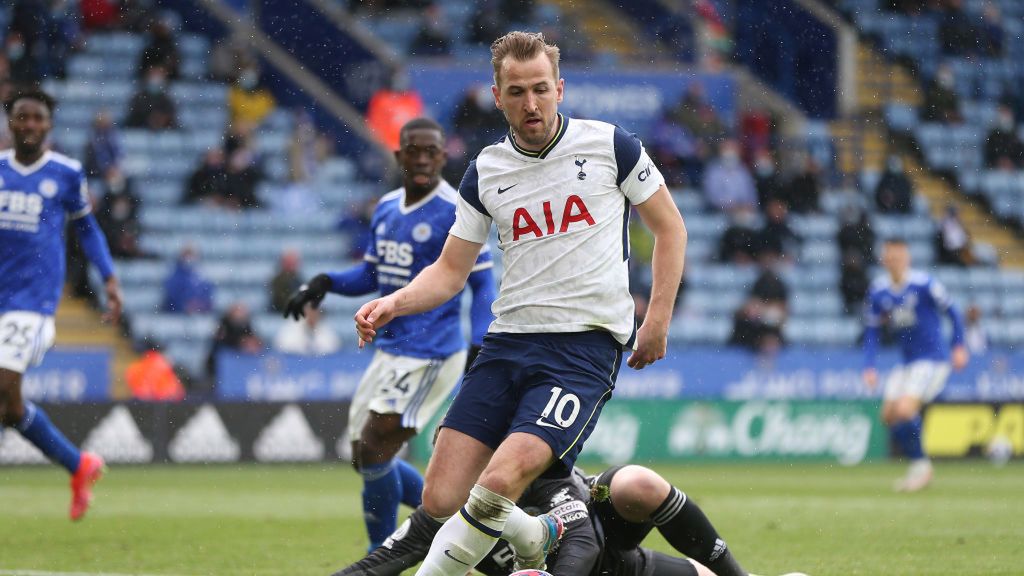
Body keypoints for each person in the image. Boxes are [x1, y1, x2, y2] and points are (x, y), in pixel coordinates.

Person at [353, 32, 686, 575]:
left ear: (559, 88)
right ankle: (539, 532)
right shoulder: (485, 170)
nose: (530, 104)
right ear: (497, 95)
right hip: (508, 344)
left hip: (582, 348)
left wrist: (657, 320)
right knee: (440, 497)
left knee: (498, 483)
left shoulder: (610, 145)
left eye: (539, 89)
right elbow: (449, 271)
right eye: (516, 92)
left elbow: (671, 229)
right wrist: (395, 302)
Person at [284, 118, 497, 552]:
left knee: (377, 445)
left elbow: (482, 285)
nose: (421, 158)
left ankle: (382, 555)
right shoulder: (384, 208)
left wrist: (479, 343)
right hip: (389, 350)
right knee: (365, 456)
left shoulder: (456, 210)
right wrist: (323, 282)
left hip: (432, 353)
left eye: (430, 151)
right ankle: (462, 521)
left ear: (442, 156)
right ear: (399, 156)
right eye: (413, 150)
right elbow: (372, 274)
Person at [0, 88, 123, 520]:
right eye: (22, 117)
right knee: (10, 407)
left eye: (37, 118)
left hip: (31, 303)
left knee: (1, 385)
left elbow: (87, 230)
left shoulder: (66, 173)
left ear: (49, 125)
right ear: (10, 122)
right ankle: (79, 464)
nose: (30, 125)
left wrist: (108, 278)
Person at [333, 464, 805, 576]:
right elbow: (378, 564)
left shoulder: (538, 467)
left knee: (633, 483)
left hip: (615, 564)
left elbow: (582, 542)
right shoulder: (445, 507)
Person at [862, 239, 968, 492]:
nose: (895, 261)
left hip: (932, 360)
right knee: (888, 416)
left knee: (905, 409)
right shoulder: (878, 291)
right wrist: (869, 365)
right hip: (907, 363)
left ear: (907, 259)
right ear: (884, 260)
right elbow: (871, 331)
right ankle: (919, 465)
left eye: (900, 257)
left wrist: (959, 345)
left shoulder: (924, 284)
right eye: (891, 257)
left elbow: (953, 312)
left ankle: (922, 467)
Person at [162, 245, 215, 314]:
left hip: (200, 313)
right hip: (178, 314)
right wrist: (185, 305)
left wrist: (200, 305)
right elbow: (172, 296)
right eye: (186, 255)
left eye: (192, 255)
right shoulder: (174, 275)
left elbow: (209, 294)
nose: (189, 258)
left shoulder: (203, 275)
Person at [274, 303, 341, 356]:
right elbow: (281, 345)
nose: (312, 314)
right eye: (309, 310)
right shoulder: (291, 327)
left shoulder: (326, 329)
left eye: (315, 311)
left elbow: (334, 348)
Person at [269, 249, 303, 313]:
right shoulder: (277, 281)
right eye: (290, 262)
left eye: (294, 262)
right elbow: (279, 300)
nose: (293, 265)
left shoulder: (299, 279)